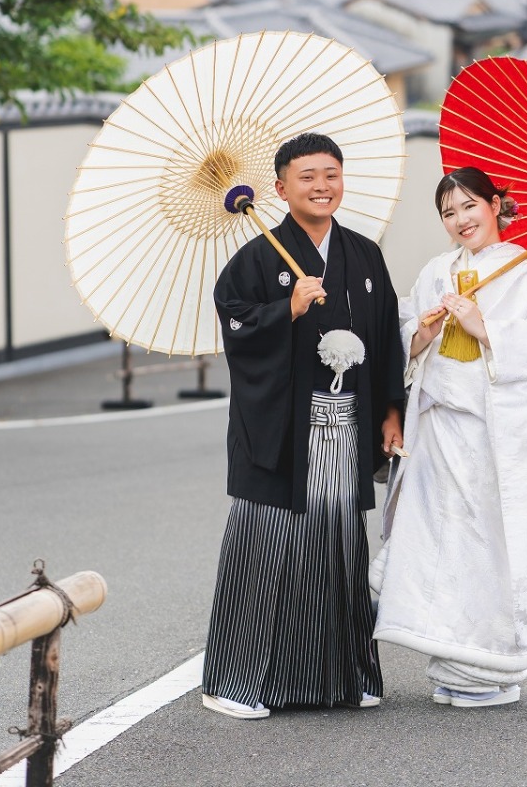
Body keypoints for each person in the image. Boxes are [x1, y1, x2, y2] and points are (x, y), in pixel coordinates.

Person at [202, 132, 405, 719]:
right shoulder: (257, 259)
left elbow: (384, 337)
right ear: (281, 187)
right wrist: (284, 310)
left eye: (331, 175)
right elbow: (235, 323)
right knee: (265, 549)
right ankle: (234, 683)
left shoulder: (364, 255)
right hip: (280, 431)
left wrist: (391, 412)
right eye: (307, 176)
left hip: (345, 426)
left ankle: (342, 679)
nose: (322, 186)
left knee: (338, 550)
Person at [372, 167, 527, 709]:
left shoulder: (525, 273)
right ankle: (451, 664)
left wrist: (486, 328)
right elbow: (403, 335)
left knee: (485, 544)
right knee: (439, 541)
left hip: (489, 437)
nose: (460, 219)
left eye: (470, 206)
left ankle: (487, 667)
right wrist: (421, 334)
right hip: (438, 430)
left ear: (495, 205)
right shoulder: (437, 270)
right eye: (448, 212)